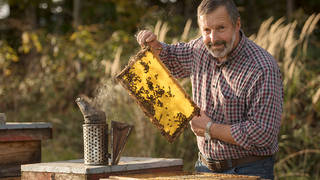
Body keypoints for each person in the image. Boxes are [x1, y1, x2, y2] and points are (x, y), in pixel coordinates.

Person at [136, 0, 283, 179]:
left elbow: (263, 133)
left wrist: (209, 129)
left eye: (221, 28)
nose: (213, 39)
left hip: (249, 169)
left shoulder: (262, 67)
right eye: (206, 30)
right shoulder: (199, 49)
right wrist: (155, 47)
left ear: (237, 24)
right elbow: (172, 57)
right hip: (204, 167)